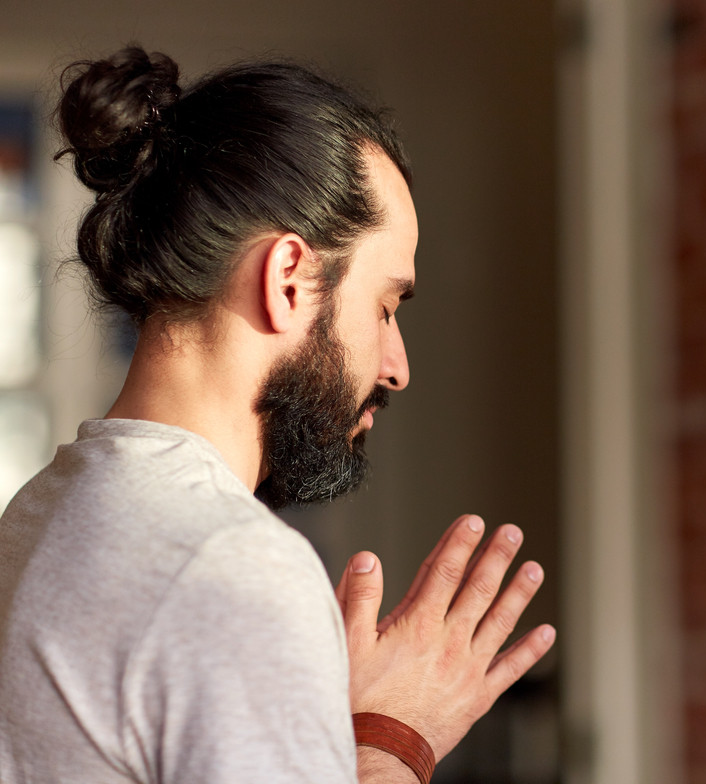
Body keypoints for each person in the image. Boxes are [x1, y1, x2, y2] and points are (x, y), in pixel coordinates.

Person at [0, 46, 555, 784]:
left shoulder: (37, 514)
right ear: (289, 280)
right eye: (385, 307)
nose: (397, 365)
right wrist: (395, 739)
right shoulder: (231, 568)